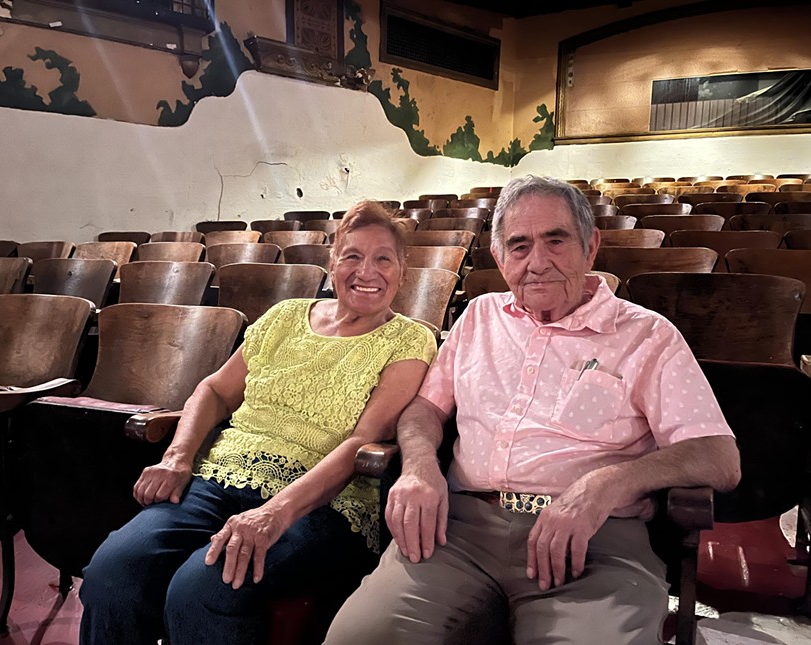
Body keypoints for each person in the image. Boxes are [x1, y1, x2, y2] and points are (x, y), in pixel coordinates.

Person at [324, 176, 741, 644]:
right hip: (457, 534)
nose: (537, 263)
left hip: (593, 545)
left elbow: (718, 455)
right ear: (500, 258)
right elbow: (424, 408)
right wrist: (420, 467)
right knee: (358, 638)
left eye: (555, 241)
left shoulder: (647, 336)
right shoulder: (478, 317)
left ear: (590, 246)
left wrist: (607, 483)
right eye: (519, 246)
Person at [79, 201, 437, 645]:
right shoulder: (285, 316)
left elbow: (362, 442)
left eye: (383, 258)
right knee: (113, 572)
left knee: (199, 590)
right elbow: (214, 391)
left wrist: (272, 513)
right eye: (352, 256)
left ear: (402, 270)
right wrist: (178, 457)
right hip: (218, 478)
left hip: (322, 504)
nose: (367, 271)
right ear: (332, 263)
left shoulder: (409, 339)